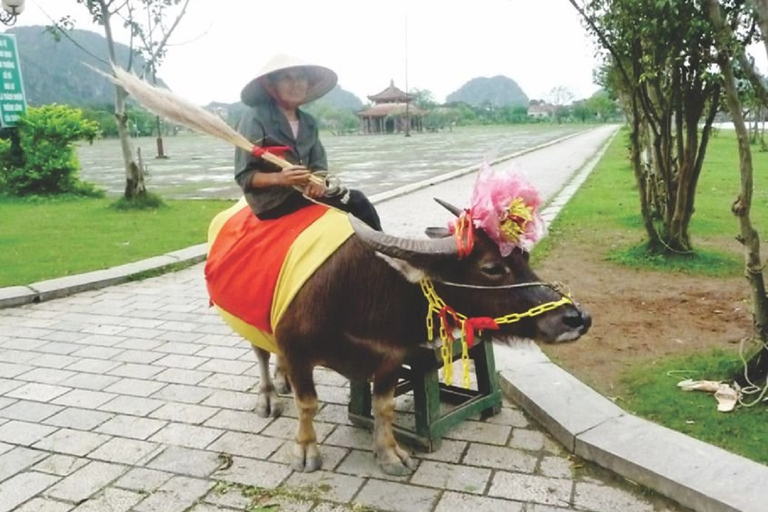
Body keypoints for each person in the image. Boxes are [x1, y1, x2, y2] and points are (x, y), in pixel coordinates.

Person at [234, 53, 382, 230]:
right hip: (273, 201)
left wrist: (318, 181)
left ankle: (382, 249)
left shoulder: (308, 122)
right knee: (354, 203)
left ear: (308, 83)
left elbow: (319, 164)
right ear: (271, 85)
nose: (296, 84)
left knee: (358, 201)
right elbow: (244, 176)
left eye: (301, 78)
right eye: (286, 78)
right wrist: (280, 178)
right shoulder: (255, 117)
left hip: (307, 194)